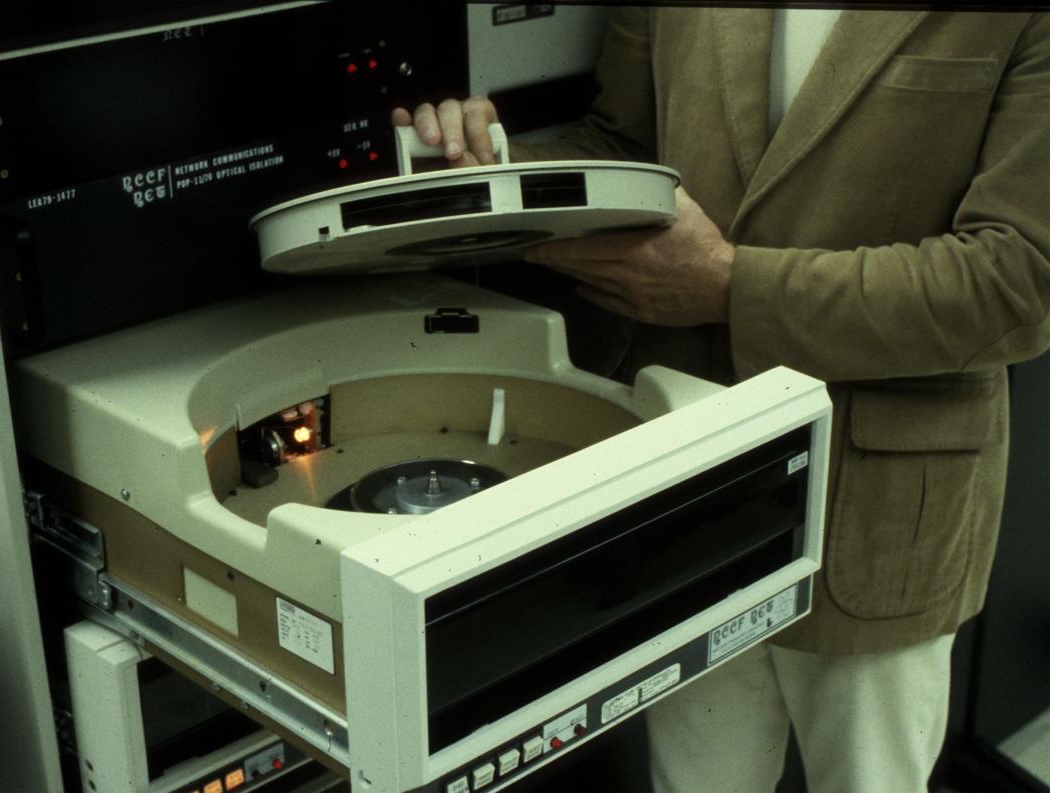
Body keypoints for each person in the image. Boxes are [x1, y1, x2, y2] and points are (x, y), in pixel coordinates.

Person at [394, 7, 1050, 792]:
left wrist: (734, 288)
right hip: (689, 479)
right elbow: (625, 150)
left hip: (879, 503)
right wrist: (490, 168)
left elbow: (1019, 278)